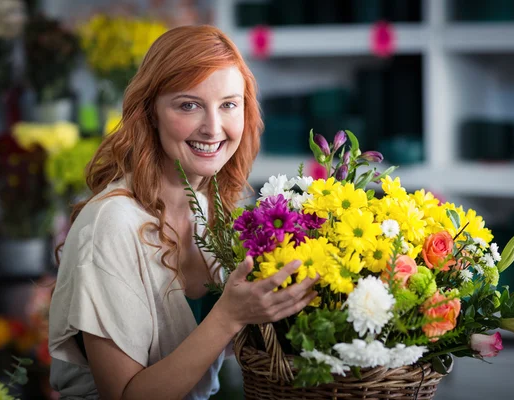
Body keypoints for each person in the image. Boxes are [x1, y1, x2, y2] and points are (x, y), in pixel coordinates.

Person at [48, 25, 319, 400]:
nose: (212, 128)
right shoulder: (111, 224)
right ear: (151, 113)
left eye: (228, 104)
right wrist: (229, 316)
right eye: (188, 105)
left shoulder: (219, 208)